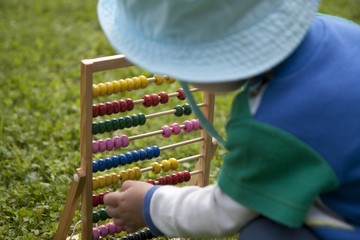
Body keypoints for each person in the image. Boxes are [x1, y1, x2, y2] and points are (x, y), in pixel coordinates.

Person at [97, 0, 360, 239]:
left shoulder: (270, 124)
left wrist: (151, 204)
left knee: (263, 232)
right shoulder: (341, 32)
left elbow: (224, 212)